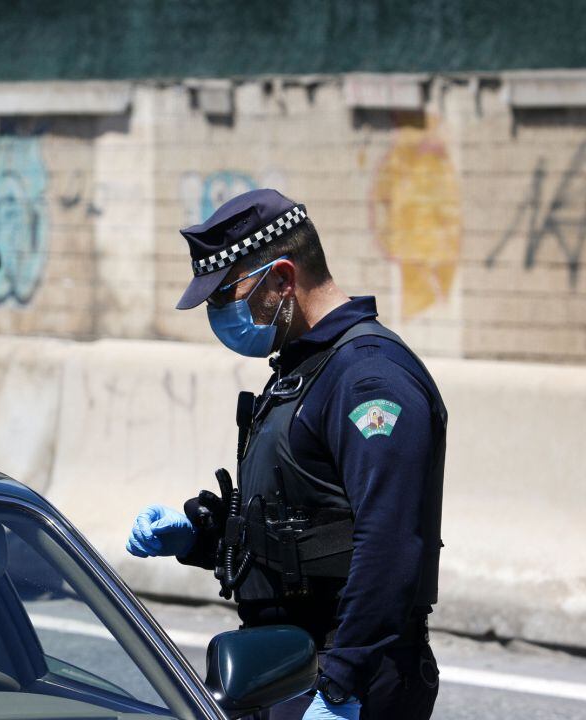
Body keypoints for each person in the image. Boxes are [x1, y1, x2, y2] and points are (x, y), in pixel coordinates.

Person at [126, 190, 446, 720]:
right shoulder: (306, 371)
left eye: (226, 297)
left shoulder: (369, 380)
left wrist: (340, 689)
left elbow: (390, 544)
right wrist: (203, 535)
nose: (219, 315)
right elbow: (307, 525)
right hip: (287, 667)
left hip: (348, 674)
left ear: (281, 280)